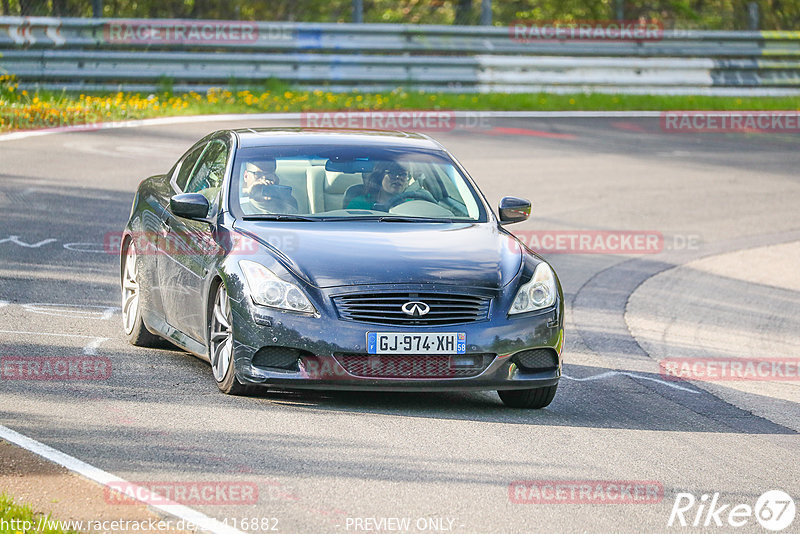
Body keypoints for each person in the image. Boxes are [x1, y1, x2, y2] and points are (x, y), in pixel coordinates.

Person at [346, 161, 433, 210]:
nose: (398, 178)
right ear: (380, 177)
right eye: (392, 173)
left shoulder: (412, 206)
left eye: (403, 174)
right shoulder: (360, 204)